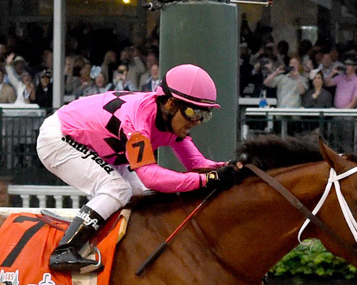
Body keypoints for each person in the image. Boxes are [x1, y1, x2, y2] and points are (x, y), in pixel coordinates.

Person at [36, 63, 235, 272]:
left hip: (97, 146)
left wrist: (231, 168)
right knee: (117, 188)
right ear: (170, 103)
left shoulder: (171, 121)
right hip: (59, 138)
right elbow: (150, 175)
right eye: (193, 113)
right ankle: (65, 250)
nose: (197, 121)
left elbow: (197, 165)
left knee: (147, 194)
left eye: (205, 115)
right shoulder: (138, 121)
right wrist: (208, 179)